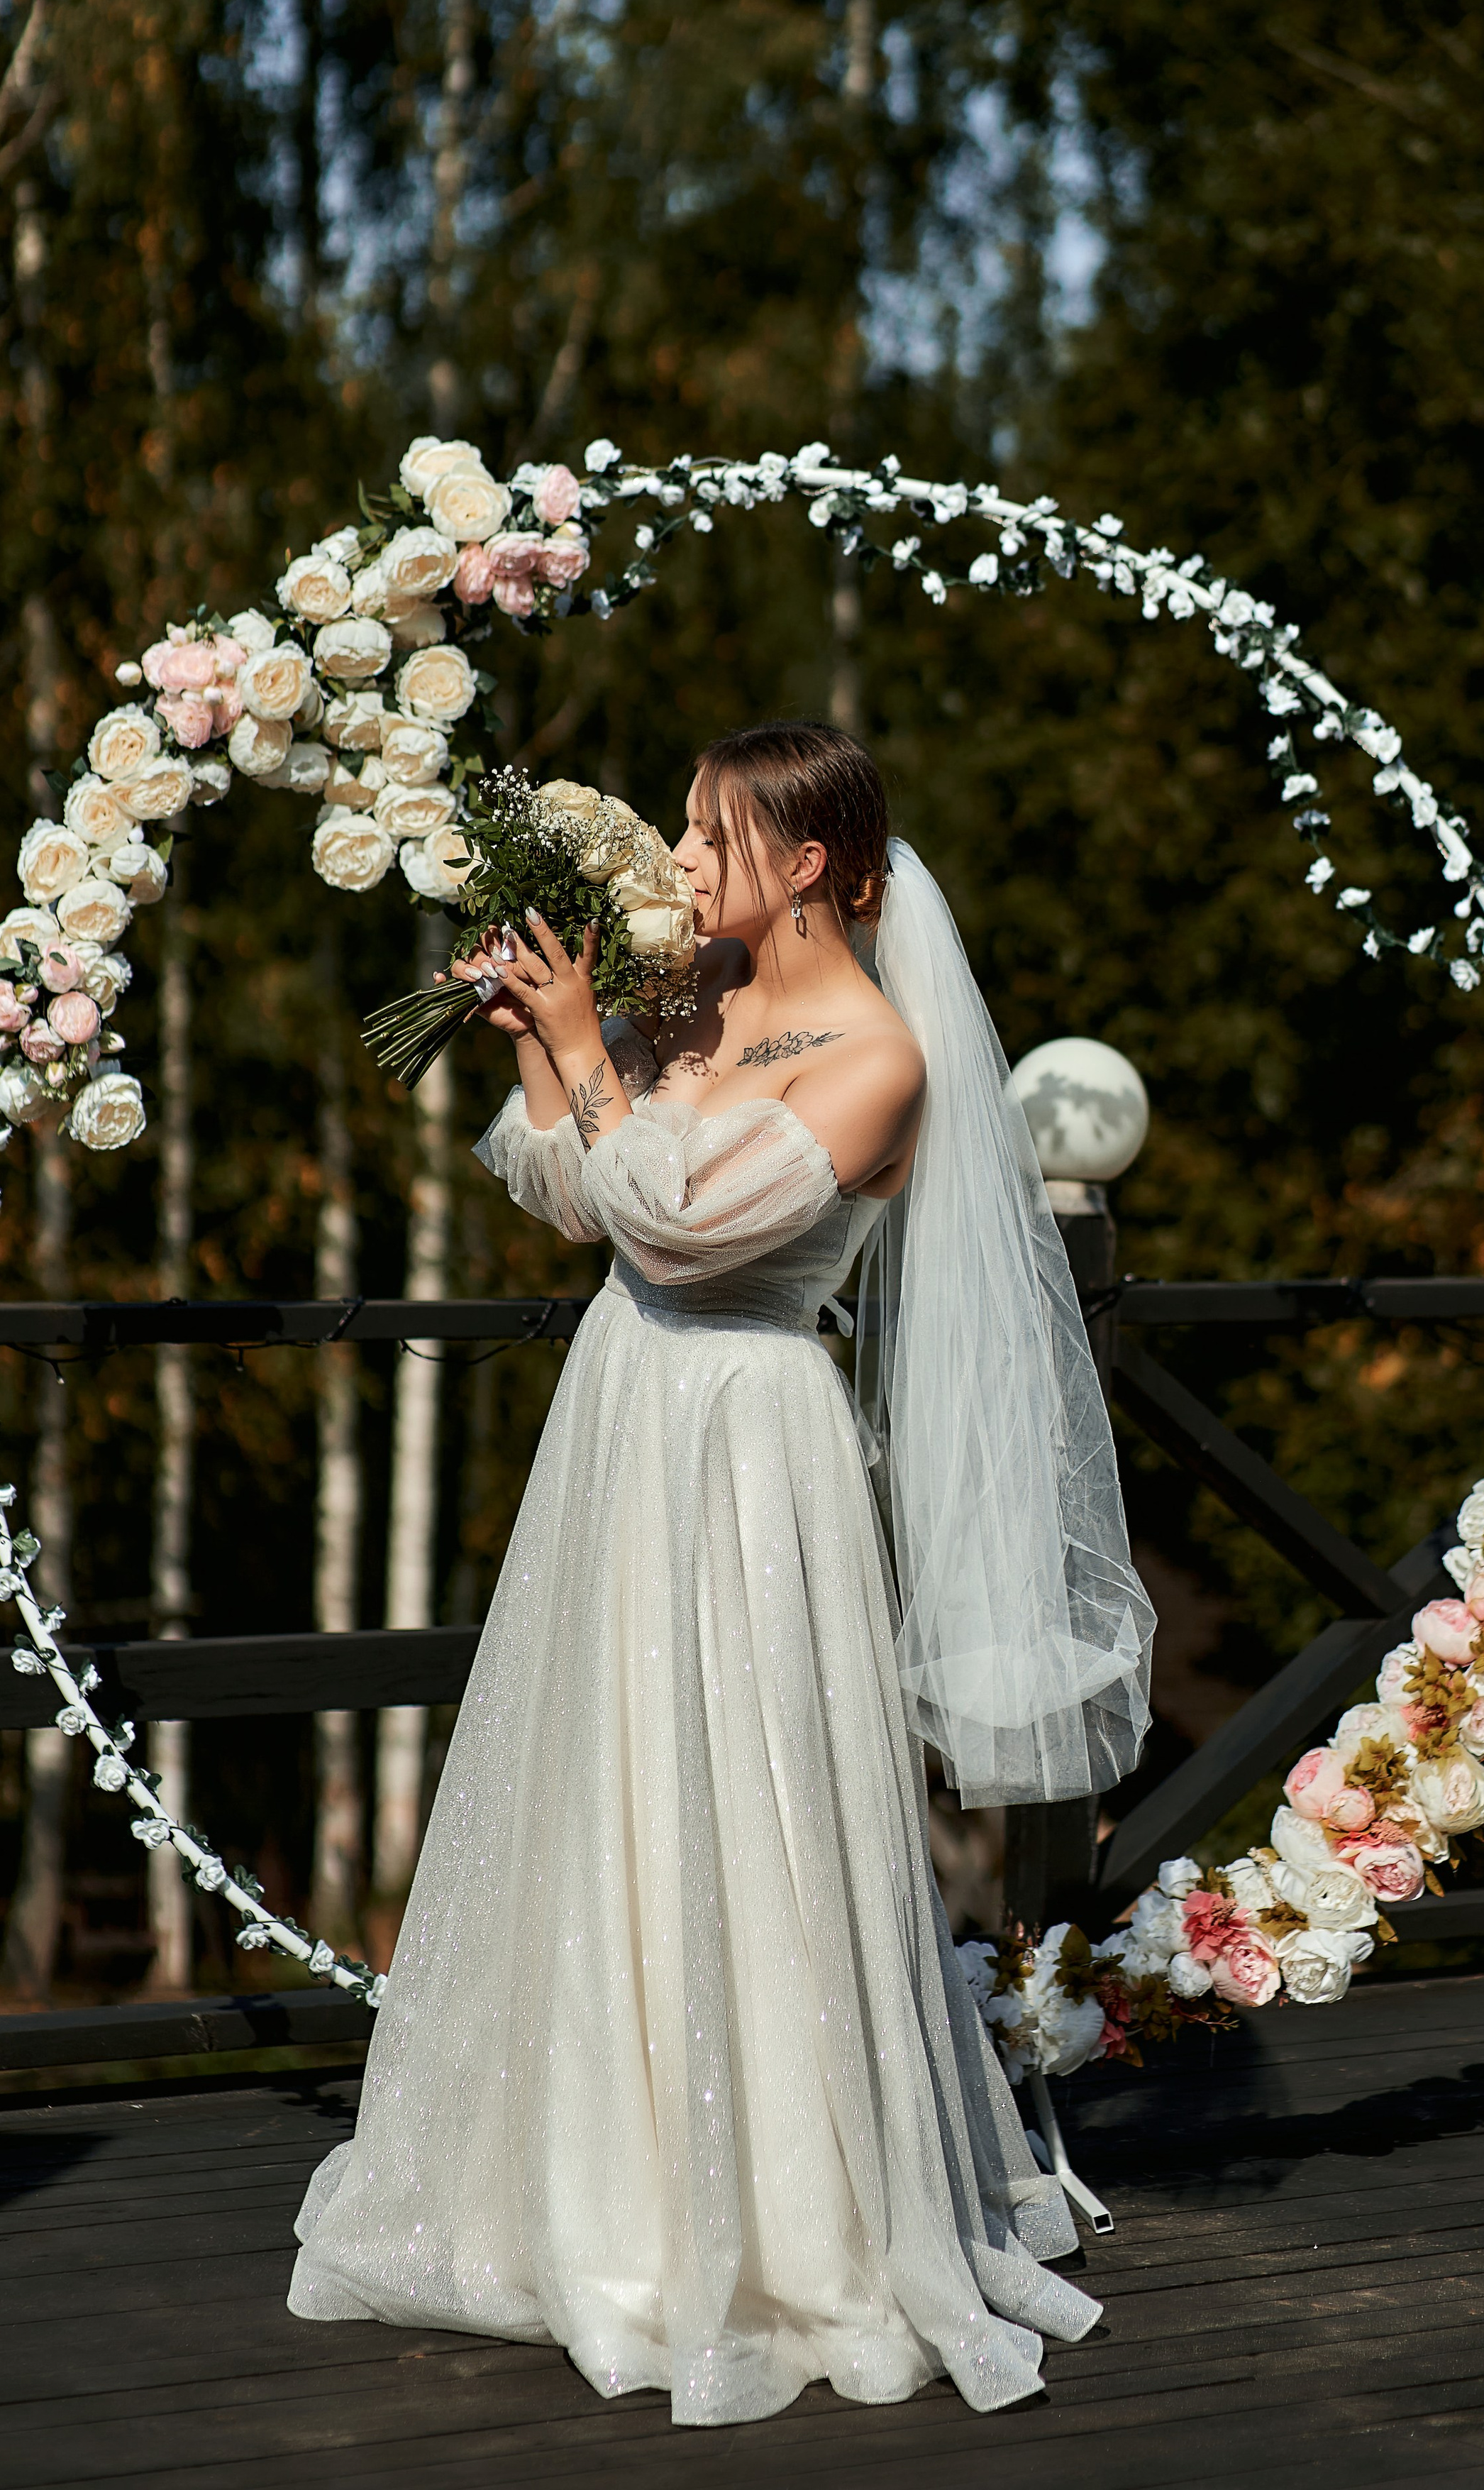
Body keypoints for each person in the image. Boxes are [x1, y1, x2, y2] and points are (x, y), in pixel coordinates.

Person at [289, 720, 1154, 2425]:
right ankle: (589, 2186)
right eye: (680, 835)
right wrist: (549, 1046)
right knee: (604, 1779)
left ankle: (782, 2212)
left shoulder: (878, 1056)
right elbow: (576, 1196)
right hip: (622, 1416)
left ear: (808, 860)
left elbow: (685, 1223)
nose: (680, 866)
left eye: (707, 839)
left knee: (746, 1789)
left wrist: (579, 1055)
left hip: (749, 1438)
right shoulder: (691, 1009)